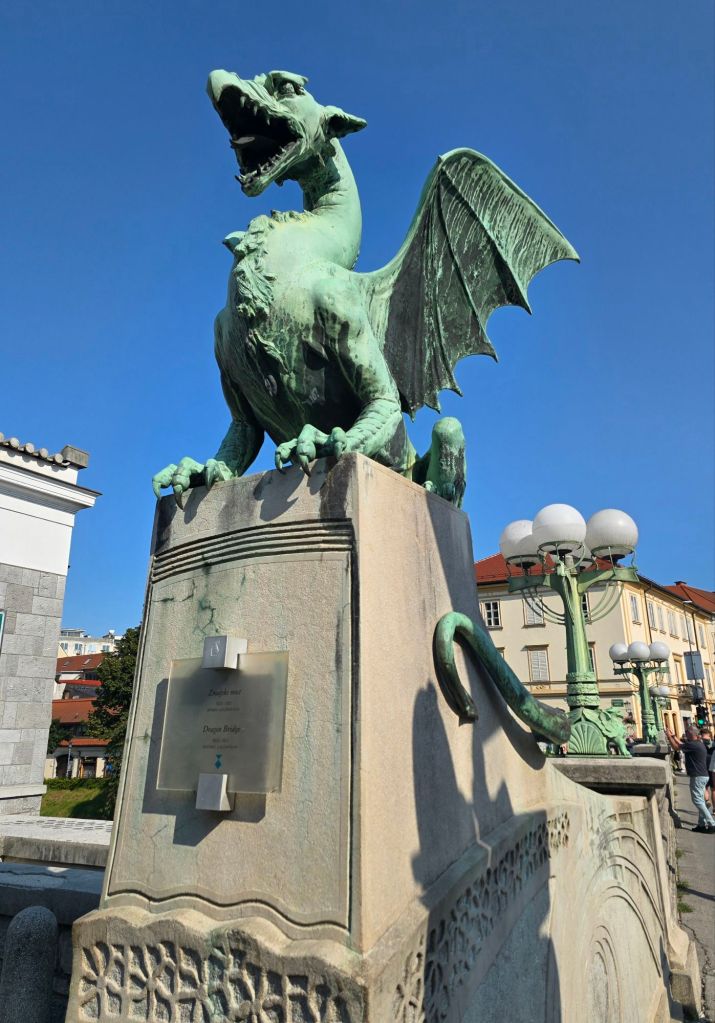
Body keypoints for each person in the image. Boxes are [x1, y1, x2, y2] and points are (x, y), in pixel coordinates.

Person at [664, 726, 715, 833]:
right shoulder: (697, 743)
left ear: (693, 734)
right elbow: (682, 744)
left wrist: (669, 736)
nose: (685, 734)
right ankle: (701, 824)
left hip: (697, 776)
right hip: (702, 775)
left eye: (687, 732)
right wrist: (673, 736)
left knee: (697, 801)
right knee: (700, 801)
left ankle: (712, 823)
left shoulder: (693, 745)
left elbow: (676, 747)